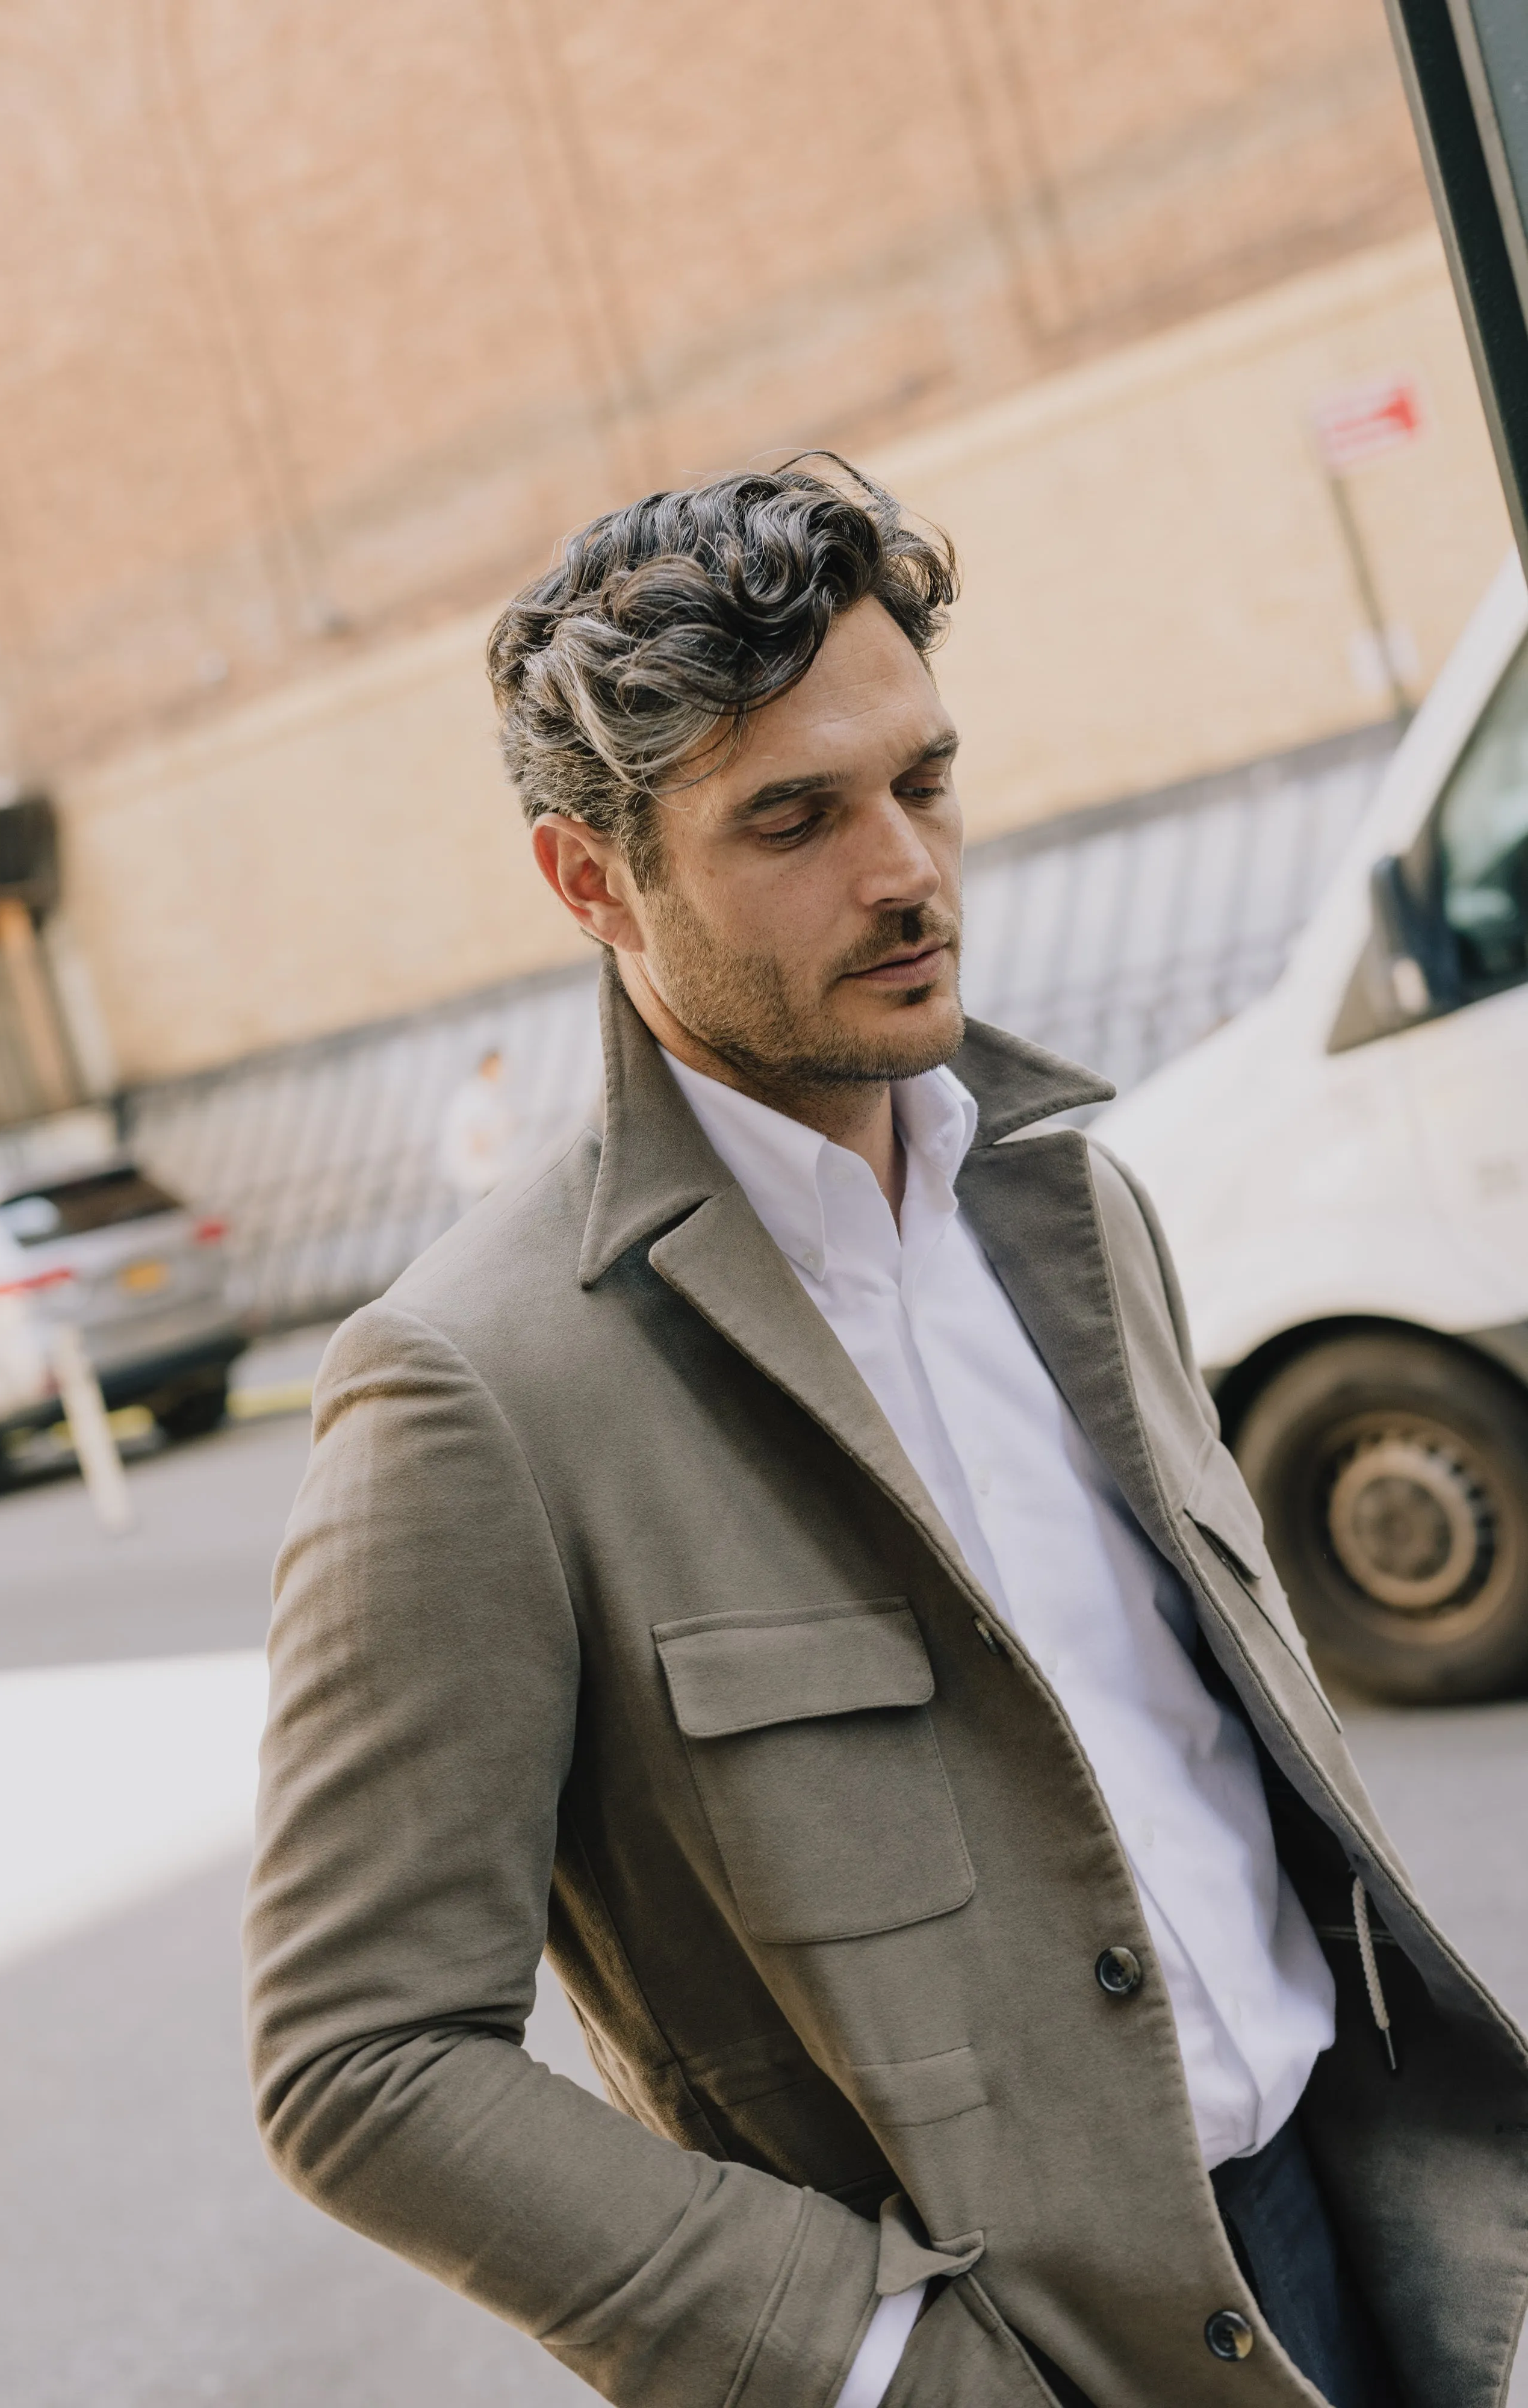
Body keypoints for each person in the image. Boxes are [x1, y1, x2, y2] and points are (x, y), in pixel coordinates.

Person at [244, 463, 1528, 2408]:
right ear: (591, 881)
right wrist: (867, 2357)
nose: (906, 868)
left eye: (920, 781)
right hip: (1003, 2360)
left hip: (1353, 2253)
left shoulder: (1077, 1212)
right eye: (792, 818)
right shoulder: (469, 1390)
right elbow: (357, 2059)